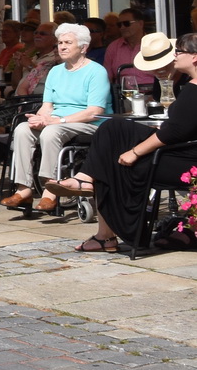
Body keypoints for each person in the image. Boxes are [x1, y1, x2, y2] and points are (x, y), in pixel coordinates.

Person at [48, 33, 197, 252]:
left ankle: (105, 234)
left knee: (110, 156)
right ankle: (85, 182)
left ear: (194, 57)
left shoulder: (193, 89)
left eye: (179, 51)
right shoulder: (189, 87)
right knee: (112, 130)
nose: (175, 55)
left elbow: (173, 132)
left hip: (185, 163)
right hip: (180, 152)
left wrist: (135, 152)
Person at [1, 23, 113, 212]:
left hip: (89, 122)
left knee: (51, 132)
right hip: (58, 120)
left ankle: (50, 190)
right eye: (60, 42)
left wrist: (57, 121)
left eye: (68, 42)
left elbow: (94, 111)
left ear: (83, 47)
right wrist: (38, 118)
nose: (62, 46)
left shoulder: (96, 71)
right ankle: (24, 189)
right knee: (22, 129)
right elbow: (47, 106)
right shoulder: (55, 71)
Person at [104, 9, 161, 95]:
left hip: (153, 95)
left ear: (140, 24)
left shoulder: (154, 45)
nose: (122, 27)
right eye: (119, 25)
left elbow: (167, 76)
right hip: (123, 97)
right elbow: (107, 78)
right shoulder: (113, 47)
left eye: (127, 24)